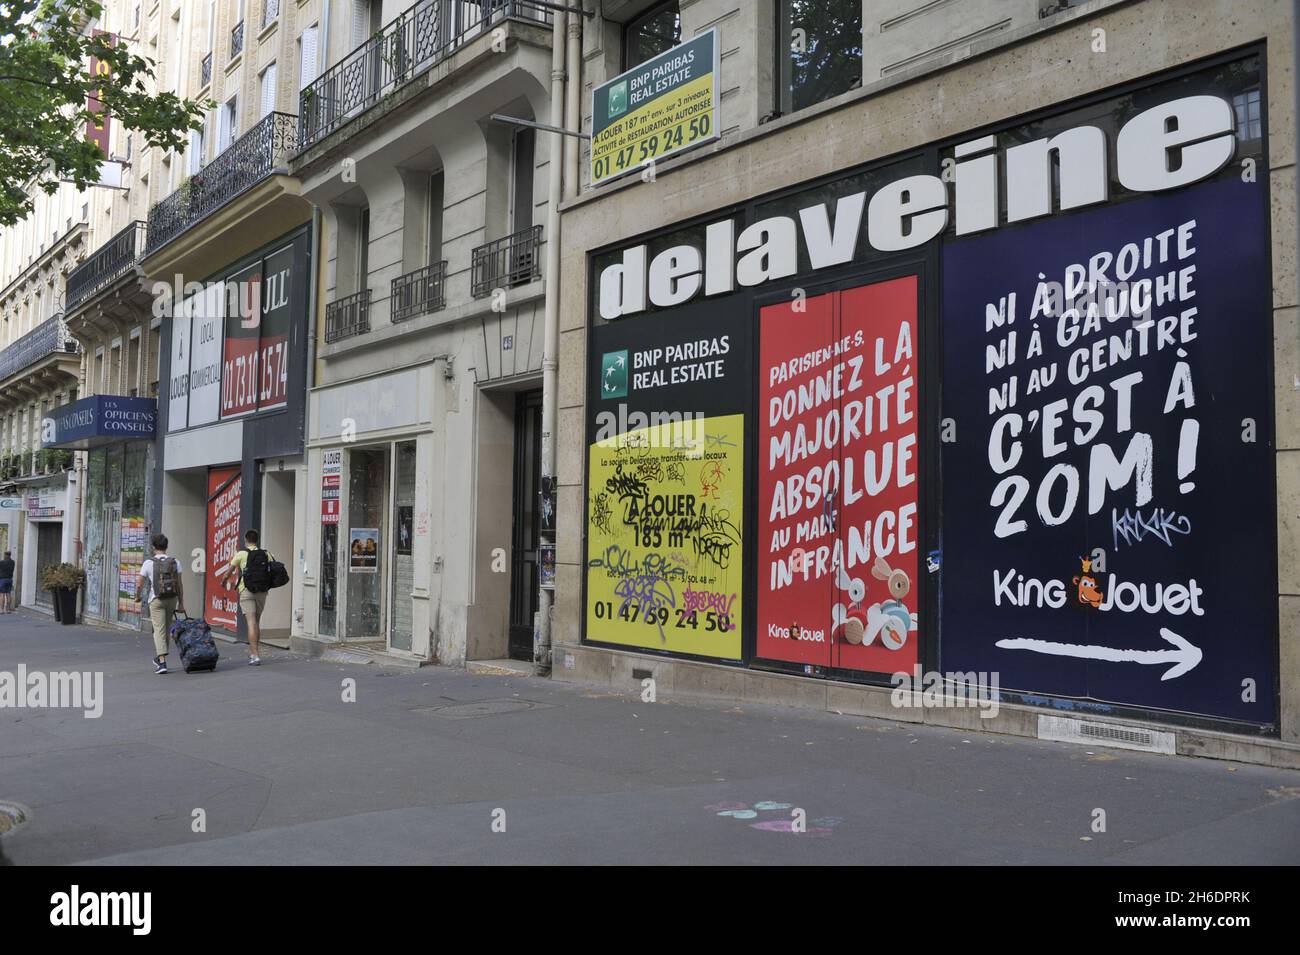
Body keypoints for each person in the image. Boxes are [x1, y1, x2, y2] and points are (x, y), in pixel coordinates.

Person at [219, 529, 275, 666]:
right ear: (257, 540)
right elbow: (274, 568)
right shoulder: (266, 553)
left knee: (251, 623)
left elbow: (229, 572)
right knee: (257, 621)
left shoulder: (241, 554)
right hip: (262, 591)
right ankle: (256, 653)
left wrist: (223, 581)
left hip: (246, 590)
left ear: (246, 539)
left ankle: (254, 655)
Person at [136, 534, 184, 674]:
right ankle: (160, 657)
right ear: (166, 546)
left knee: (158, 630)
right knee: (166, 629)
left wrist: (137, 597)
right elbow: (180, 585)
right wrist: (181, 604)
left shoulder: (148, 563)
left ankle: (162, 662)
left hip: (156, 600)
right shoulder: (175, 562)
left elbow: (140, 584)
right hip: (172, 599)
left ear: (153, 547)